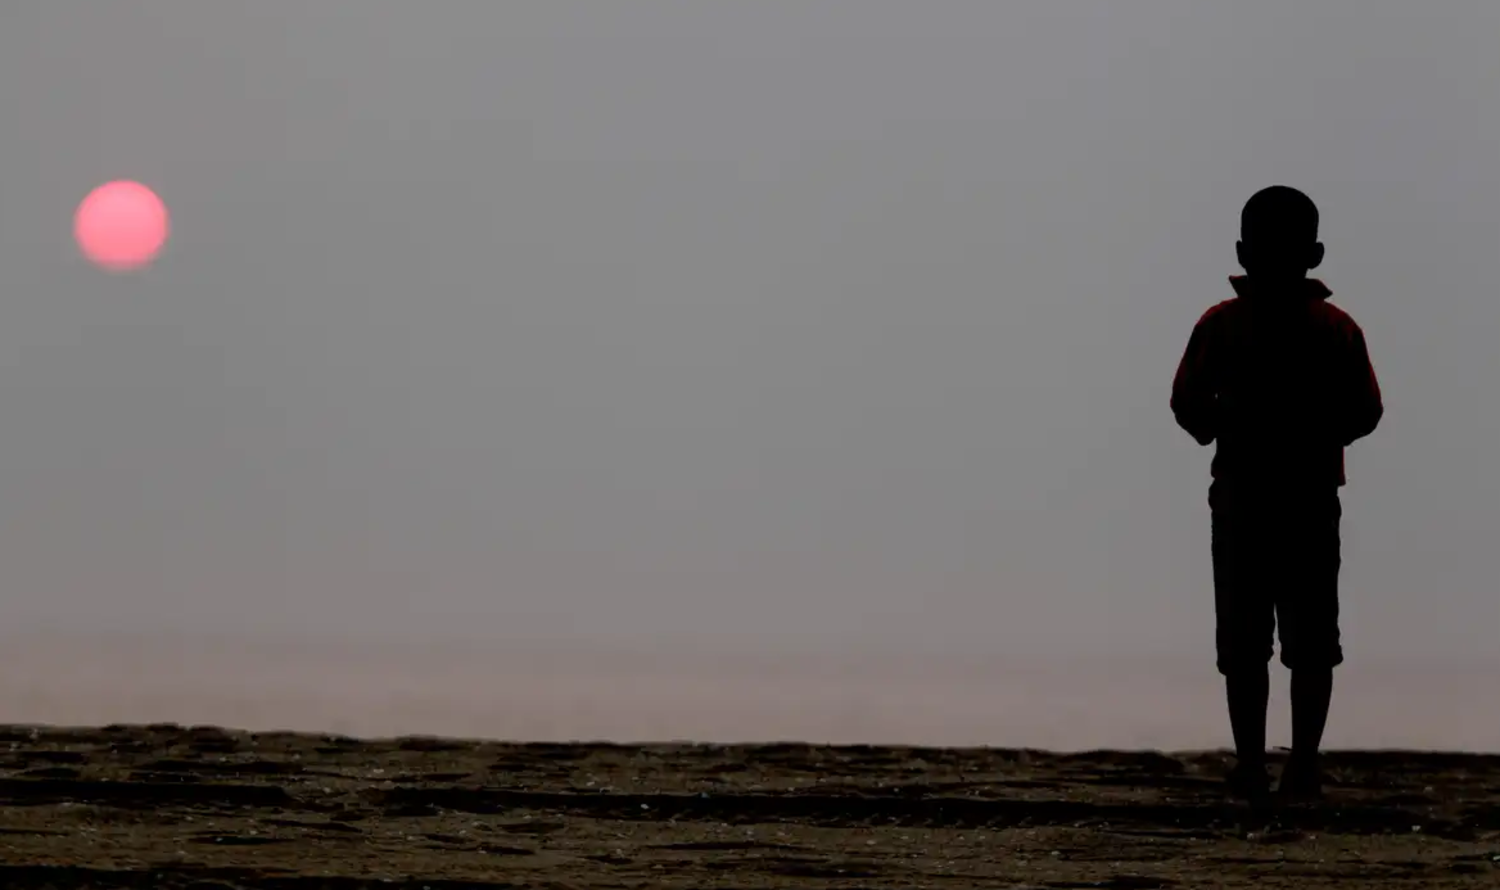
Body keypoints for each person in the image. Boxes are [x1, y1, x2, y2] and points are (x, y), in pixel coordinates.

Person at [1170, 185, 1383, 803]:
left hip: (1241, 498)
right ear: (1314, 254)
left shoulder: (1223, 325)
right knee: (1310, 638)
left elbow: (1187, 401)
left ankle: (1252, 763)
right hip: (1310, 500)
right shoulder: (1336, 329)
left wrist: (1218, 425)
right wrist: (1321, 435)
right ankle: (1303, 763)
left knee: (1245, 639)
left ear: (1243, 250)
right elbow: (1366, 410)